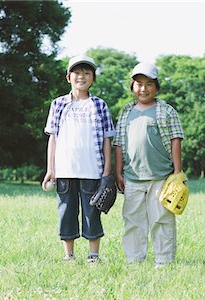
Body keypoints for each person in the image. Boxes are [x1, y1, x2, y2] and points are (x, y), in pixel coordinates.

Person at [42, 54, 116, 263]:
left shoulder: (99, 105)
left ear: (93, 78)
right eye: (77, 72)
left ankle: (94, 255)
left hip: (92, 169)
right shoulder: (58, 104)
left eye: (86, 73)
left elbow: (107, 140)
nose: (81, 77)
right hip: (65, 169)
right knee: (66, 211)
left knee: (92, 212)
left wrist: (107, 170)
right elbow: (53, 138)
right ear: (68, 77)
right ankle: (69, 255)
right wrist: (51, 168)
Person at [113, 62, 185, 268]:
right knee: (133, 220)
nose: (143, 89)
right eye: (138, 84)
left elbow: (176, 139)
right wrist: (118, 172)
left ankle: (163, 260)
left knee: (162, 219)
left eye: (149, 84)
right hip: (132, 177)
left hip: (161, 177)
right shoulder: (126, 112)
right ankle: (134, 260)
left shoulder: (166, 111)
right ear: (132, 87)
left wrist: (177, 172)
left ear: (157, 87)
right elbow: (118, 143)